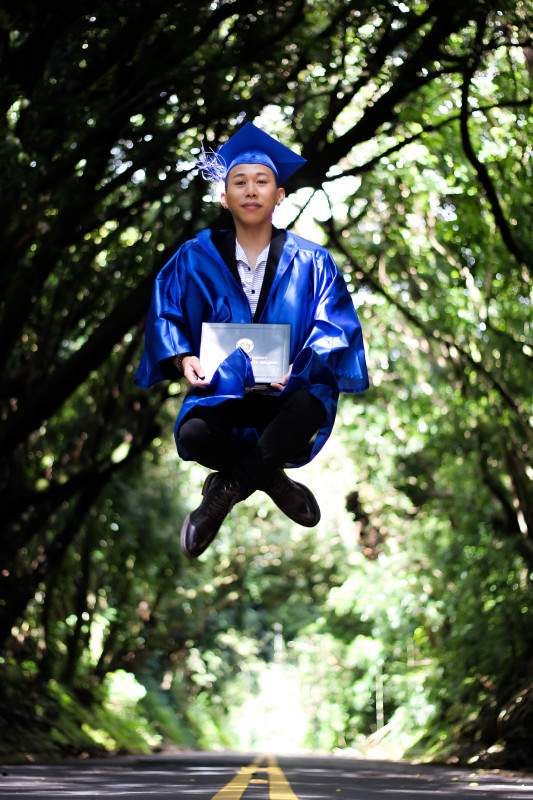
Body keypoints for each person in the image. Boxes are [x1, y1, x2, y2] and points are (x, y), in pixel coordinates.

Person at [135, 122, 369, 559]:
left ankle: (221, 498)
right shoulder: (194, 256)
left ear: (279, 195)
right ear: (224, 198)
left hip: (287, 393)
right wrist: (183, 357)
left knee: (308, 406)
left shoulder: (312, 260)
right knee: (195, 431)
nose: (251, 190)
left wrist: (297, 368)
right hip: (223, 389)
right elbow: (165, 310)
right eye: (239, 182)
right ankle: (272, 480)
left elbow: (335, 328)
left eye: (262, 181)